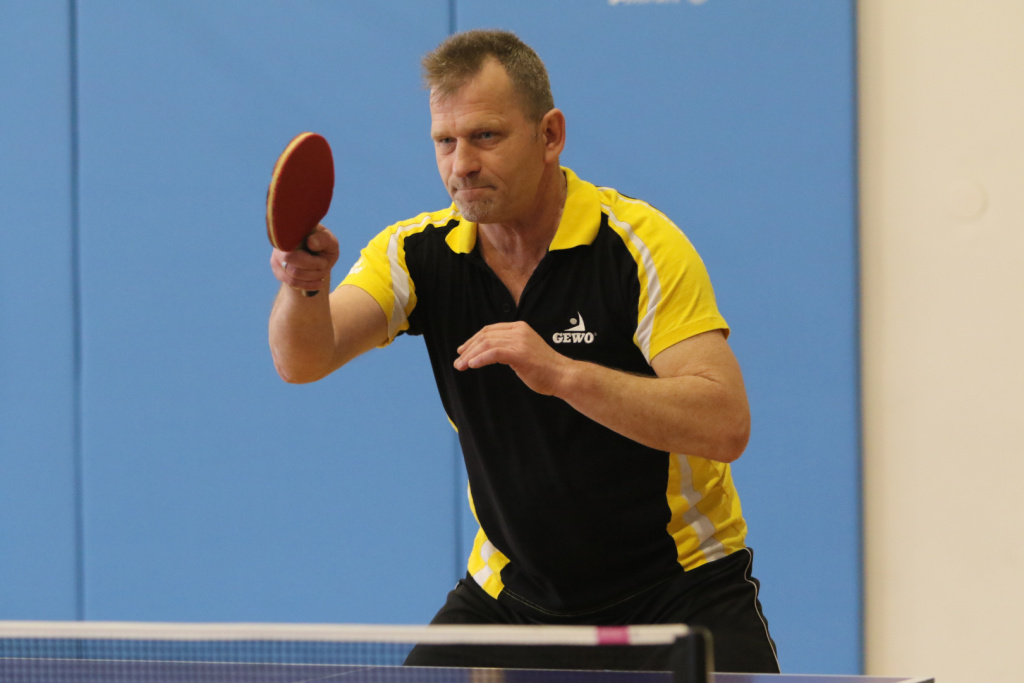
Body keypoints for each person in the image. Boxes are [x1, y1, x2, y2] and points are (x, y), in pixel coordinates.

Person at [268, 29, 779, 674]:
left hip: (677, 589)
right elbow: (304, 359)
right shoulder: (417, 254)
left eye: (486, 136)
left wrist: (561, 373)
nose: (461, 164)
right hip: (514, 598)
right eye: (444, 142)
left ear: (550, 135)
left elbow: (724, 422)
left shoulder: (637, 246)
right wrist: (305, 286)